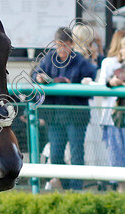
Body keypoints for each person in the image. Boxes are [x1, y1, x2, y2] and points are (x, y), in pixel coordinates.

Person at [31, 27, 97, 190]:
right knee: (55, 154)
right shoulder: (49, 58)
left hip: (76, 115)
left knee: (76, 153)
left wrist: (75, 84)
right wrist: (39, 77)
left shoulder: (80, 60)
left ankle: (76, 188)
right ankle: (67, 186)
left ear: (71, 44)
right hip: (54, 116)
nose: (61, 50)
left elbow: (91, 76)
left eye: (65, 45)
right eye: (58, 45)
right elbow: (35, 73)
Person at [97, 30, 125, 187]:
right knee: (116, 157)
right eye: (121, 46)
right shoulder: (112, 64)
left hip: (117, 118)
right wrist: (112, 83)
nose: (122, 51)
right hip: (115, 119)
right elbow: (104, 84)